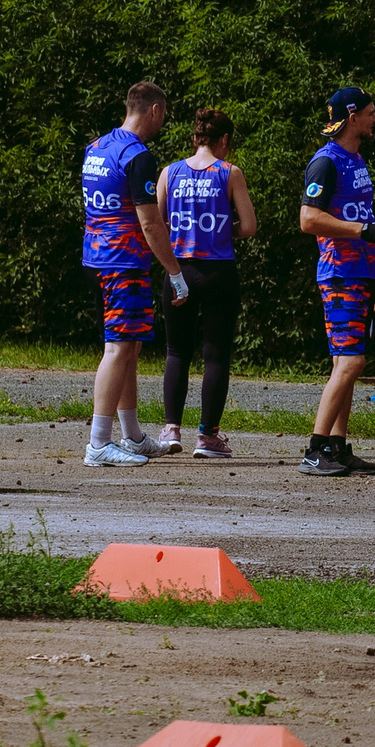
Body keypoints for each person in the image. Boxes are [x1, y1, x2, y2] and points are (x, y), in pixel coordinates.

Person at [80, 80, 192, 468]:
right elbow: (151, 224)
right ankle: (98, 444)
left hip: (98, 256)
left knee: (129, 345)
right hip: (123, 260)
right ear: (155, 111)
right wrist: (175, 272)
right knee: (119, 348)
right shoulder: (138, 156)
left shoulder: (97, 147)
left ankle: (132, 436)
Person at [155, 108, 258, 457]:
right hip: (218, 272)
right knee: (216, 355)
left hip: (179, 270)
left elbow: (156, 225)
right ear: (224, 140)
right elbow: (248, 226)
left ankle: (171, 430)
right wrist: (217, 231)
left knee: (176, 351)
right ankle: (208, 436)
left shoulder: (169, 172)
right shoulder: (230, 173)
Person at [299, 86, 375, 477]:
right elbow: (308, 219)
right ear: (353, 118)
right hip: (339, 273)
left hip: (362, 272)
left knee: (344, 363)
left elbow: (361, 220)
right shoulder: (326, 161)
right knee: (352, 360)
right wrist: (361, 230)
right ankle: (314, 450)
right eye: (371, 112)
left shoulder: (356, 158)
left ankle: (337, 447)